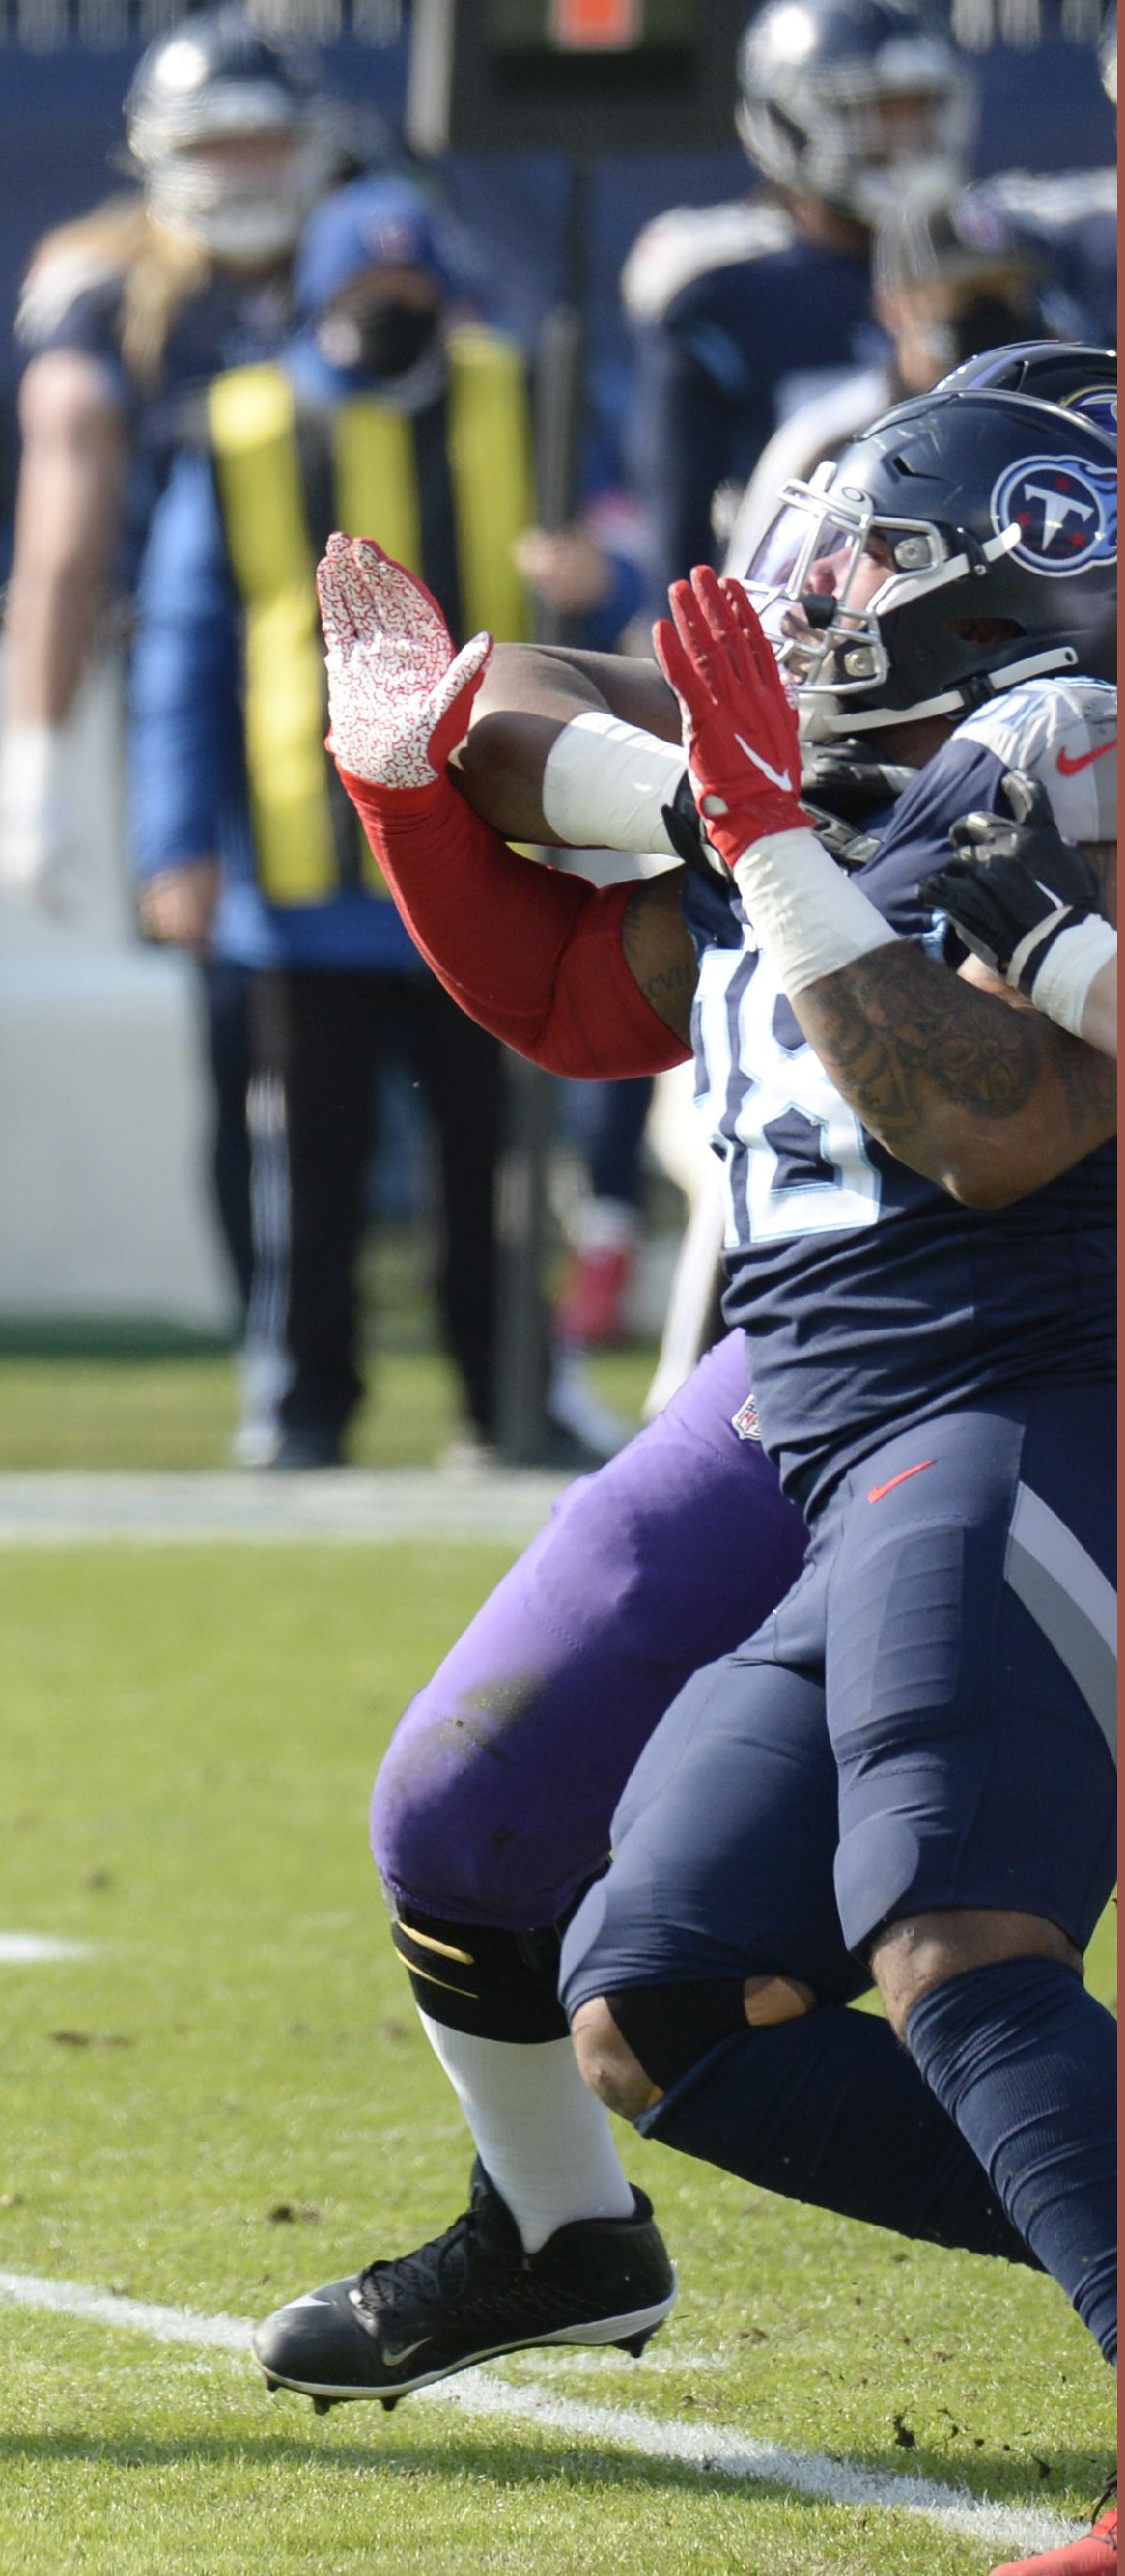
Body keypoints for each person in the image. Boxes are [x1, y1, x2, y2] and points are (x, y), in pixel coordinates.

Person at [276, 393, 1114, 2445]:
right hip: (842, 1413)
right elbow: (581, 980)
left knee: (941, 1915)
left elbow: (995, 1119)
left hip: (1014, 1385)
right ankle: (562, 2228)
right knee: (652, 1986)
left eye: (852, 563)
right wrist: (408, 778)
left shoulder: (1048, 779)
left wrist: (767, 838)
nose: (800, 599)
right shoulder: (808, 790)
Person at [127, 181, 526, 1470]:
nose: (396, 320)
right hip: (310, 872)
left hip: (495, 851)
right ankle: (302, 1396)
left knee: (495, 1164)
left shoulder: (516, 392)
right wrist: (173, 837)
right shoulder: (247, 427)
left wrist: (607, 572)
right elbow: (184, 646)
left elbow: (611, 547)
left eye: (416, 299)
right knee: (312, 1168)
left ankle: (505, 1388)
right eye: (370, 300)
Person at [0, 7, 339, 927]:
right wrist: (36, 753)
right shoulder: (106, 292)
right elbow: (61, 551)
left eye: (265, 142)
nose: (247, 171)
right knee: (236, 980)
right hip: (188, 665)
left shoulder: (363, 260)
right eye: (218, 146)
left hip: (361, 650)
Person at [621, 0, 974, 600]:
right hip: (792, 613)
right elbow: (679, 527)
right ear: (793, 117)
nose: (906, 137)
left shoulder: (985, 263)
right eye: (878, 112)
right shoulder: (723, 287)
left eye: (917, 109)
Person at [738, 190, 1062, 513]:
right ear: (893, 305)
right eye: (965, 294)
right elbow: (763, 563)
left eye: (1005, 292)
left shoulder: (1059, 421)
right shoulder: (828, 438)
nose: (992, 313)